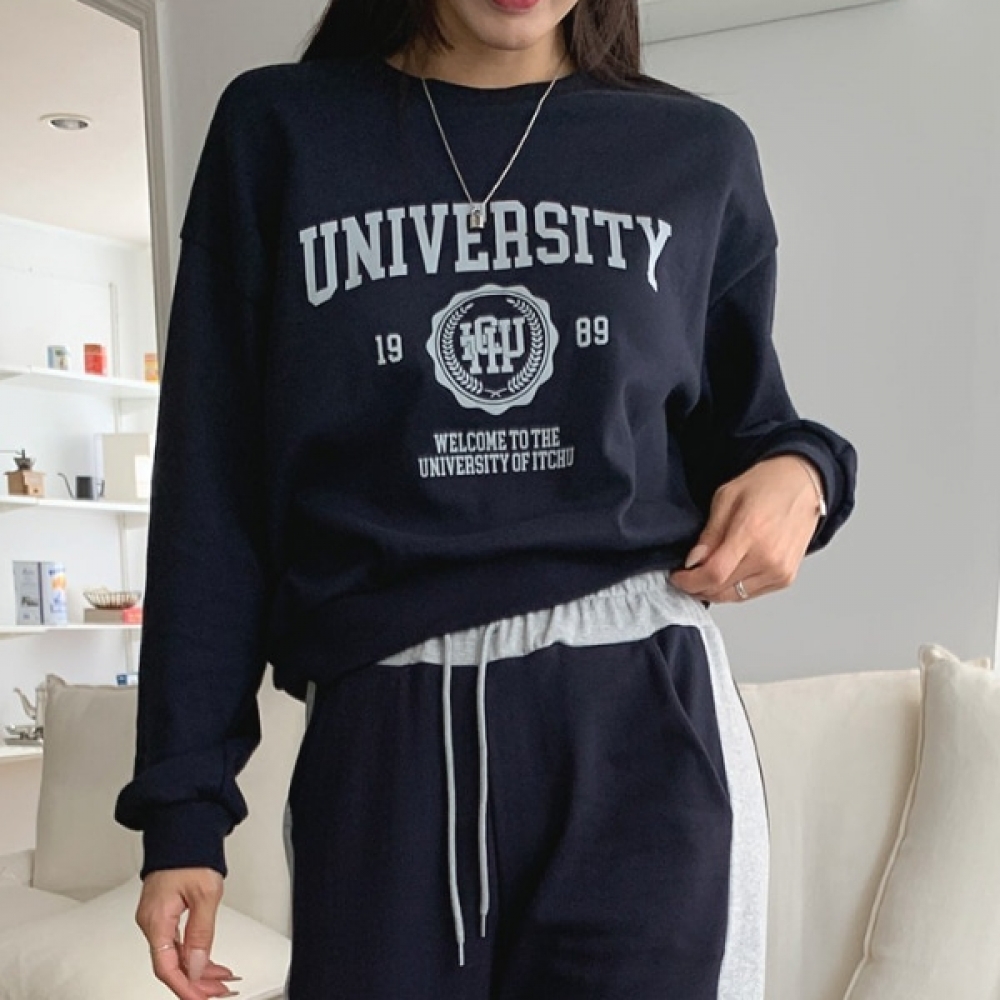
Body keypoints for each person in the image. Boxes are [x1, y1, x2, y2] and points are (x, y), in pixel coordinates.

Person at [113, 0, 858, 997]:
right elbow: (213, 483)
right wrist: (182, 807)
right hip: (382, 734)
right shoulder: (282, 131)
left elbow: (754, 426)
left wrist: (806, 473)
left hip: (637, 716)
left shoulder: (694, 150)